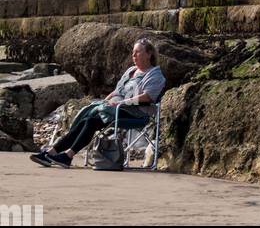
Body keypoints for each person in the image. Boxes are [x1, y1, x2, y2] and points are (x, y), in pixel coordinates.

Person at [30, 38, 166, 170]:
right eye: (133, 52)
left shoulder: (155, 75)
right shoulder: (131, 71)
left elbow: (147, 97)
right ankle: (53, 152)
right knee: (85, 117)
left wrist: (122, 102)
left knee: (91, 121)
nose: (133, 55)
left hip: (136, 112)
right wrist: (106, 101)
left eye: (138, 52)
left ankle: (68, 155)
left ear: (149, 54)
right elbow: (117, 91)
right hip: (117, 107)